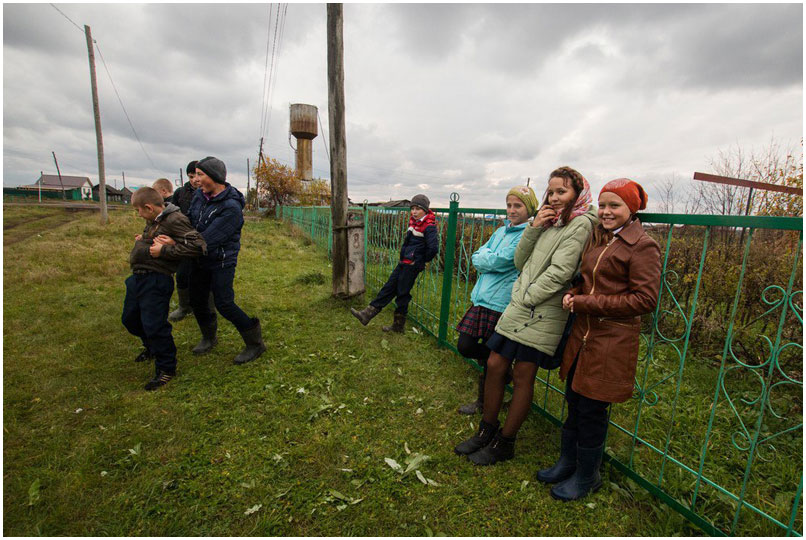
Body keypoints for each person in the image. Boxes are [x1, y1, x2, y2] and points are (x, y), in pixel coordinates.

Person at [454, 166, 597, 465]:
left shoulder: (580, 224)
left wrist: (526, 297)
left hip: (542, 311)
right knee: (495, 364)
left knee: (522, 374)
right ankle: (486, 430)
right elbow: (520, 261)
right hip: (521, 304)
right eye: (551, 191)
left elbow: (560, 273)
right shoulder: (551, 222)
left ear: (578, 194)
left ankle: (505, 442)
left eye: (562, 192)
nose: (554, 197)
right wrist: (534, 228)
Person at [539, 178, 661, 501]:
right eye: (603, 205)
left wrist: (585, 303)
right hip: (584, 335)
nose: (605, 211)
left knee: (592, 410)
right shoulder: (603, 237)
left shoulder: (642, 246)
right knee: (574, 401)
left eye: (614, 206)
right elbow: (588, 279)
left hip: (611, 340)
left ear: (631, 209)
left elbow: (645, 300)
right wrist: (575, 292)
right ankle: (568, 462)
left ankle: (587, 476)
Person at [456, 186, 536, 415]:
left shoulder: (526, 235)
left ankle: (483, 402)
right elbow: (477, 255)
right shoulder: (501, 231)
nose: (512, 210)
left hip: (501, 301)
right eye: (509, 205)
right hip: (482, 298)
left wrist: (486, 259)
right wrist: (486, 259)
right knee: (466, 346)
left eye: (518, 206)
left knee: (490, 356)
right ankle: (505, 372)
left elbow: (503, 261)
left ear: (529, 209)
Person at [179, 156, 267, 365]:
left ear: (215, 177)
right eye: (195, 175)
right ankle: (209, 337)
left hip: (221, 261)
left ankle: (255, 344)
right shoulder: (200, 196)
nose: (196, 180)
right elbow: (189, 221)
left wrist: (169, 248)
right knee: (197, 300)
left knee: (224, 303)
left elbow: (205, 241)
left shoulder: (231, 208)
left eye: (200, 175)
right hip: (199, 260)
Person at [121, 187, 206, 390]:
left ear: (149, 207)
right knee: (130, 318)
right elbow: (157, 239)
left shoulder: (175, 219)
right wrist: (145, 241)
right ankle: (152, 347)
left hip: (156, 279)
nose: (138, 215)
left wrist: (166, 249)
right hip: (139, 277)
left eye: (139, 210)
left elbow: (198, 246)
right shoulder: (155, 219)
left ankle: (166, 367)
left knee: (154, 325)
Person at [350, 194, 438, 333]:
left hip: (412, 265)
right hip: (404, 262)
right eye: (412, 208)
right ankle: (367, 314)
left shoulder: (429, 226)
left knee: (402, 294)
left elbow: (433, 249)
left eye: (418, 209)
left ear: (425, 210)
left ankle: (398, 326)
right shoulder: (414, 222)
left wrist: (418, 261)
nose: (414, 212)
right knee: (389, 287)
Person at [168, 161, 202, 322]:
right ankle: (184, 306)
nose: (195, 180)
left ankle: (202, 305)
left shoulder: (208, 192)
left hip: (203, 239)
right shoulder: (180, 193)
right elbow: (171, 214)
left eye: (197, 175)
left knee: (202, 276)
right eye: (191, 176)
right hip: (183, 240)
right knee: (182, 275)